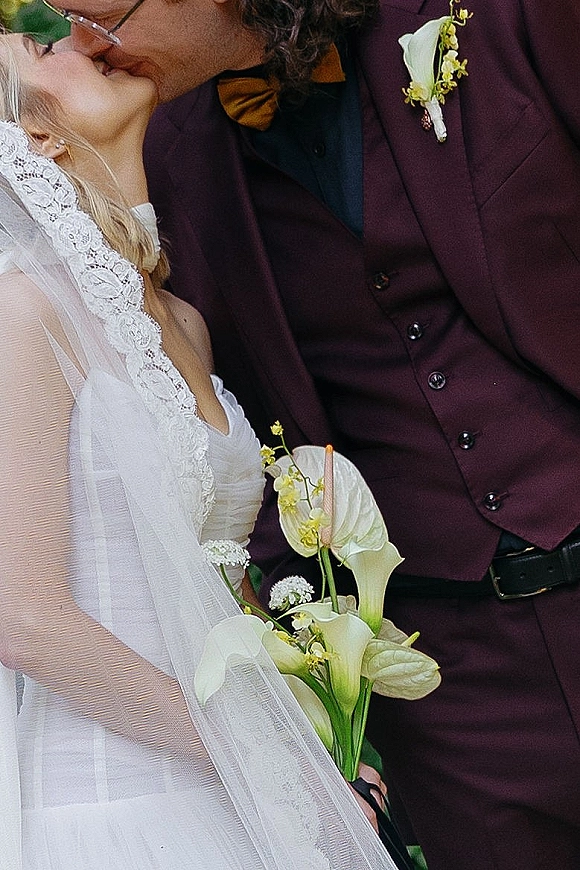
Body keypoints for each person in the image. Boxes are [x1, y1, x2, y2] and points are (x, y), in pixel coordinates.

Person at [50, 0, 580, 866]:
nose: (83, 45)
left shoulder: (493, 21)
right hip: (447, 686)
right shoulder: (164, 159)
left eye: (97, 15)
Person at [0, 32, 396, 870]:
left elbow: (207, 576)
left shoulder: (184, 323)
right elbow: (23, 618)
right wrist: (267, 750)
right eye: (42, 45)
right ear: (39, 136)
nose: (80, 35)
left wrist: (319, 722)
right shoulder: (21, 315)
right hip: (115, 806)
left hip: (237, 786)